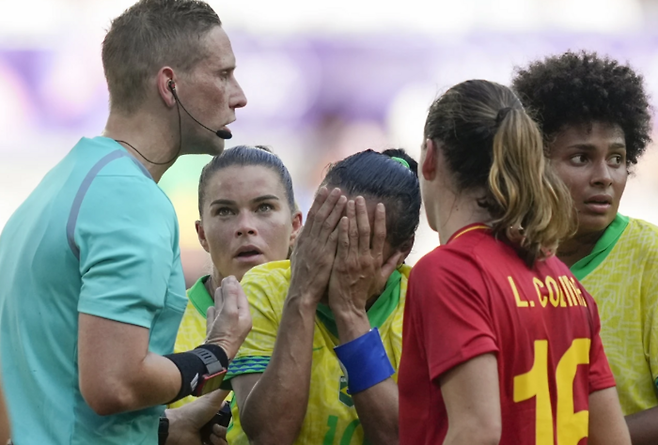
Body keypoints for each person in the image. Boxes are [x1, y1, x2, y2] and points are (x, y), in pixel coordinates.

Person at [0, 1, 250, 444]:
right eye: (224, 74)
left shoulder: (65, 179)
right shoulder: (130, 198)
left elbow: (57, 385)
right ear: (169, 85)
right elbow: (113, 383)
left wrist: (160, 429)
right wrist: (216, 351)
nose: (239, 95)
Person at [398, 79, 630, 444]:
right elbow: (614, 438)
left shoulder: (448, 272)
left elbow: (478, 431)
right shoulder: (567, 283)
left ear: (429, 157)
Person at [225, 149, 421, 445]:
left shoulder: (421, 301)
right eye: (323, 228)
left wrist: (351, 313)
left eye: (356, 241)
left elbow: (399, 438)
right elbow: (269, 436)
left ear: (401, 251)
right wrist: (301, 295)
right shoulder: (265, 287)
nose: (329, 251)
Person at [512, 51, 657, 444]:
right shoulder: (502, 261)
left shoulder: (651, 257)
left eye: (617, 158)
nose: (604, 177)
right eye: (581, 157)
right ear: (533, 162)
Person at [166, 145, 302, 443]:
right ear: (202, 234)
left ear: (295, 225)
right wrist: (162, 431)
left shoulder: (332, 315)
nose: (245, 227)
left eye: (264, 207)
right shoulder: (161, 323)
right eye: (225, 211)